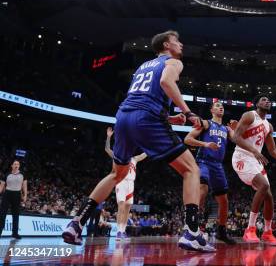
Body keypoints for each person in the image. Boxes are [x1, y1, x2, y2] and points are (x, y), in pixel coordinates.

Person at [62, 30, 215, 252]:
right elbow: (165, 82)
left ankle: (76, 223)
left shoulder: (143, 66)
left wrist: (168, 117)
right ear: (166, 45)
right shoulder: (173, 62)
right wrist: (189, 113)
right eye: (176, 41)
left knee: (117, 173)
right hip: (146, 118)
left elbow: (141, 97)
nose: (181, 45)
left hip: (123, 117)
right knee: (192, 169)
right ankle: (192, 232)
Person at [231, 95, 276, 245]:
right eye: (263, 99)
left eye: (269, 100)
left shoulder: (268, 126)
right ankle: (250, 229)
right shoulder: (250, 115)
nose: (267, 101)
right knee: (264, 186)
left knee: (269, 196)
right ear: (257, 103)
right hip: (242, 157)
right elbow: (236, 137)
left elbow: (273, 151)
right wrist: (255, 151)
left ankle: (267, 232)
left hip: (255, 160)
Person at [184, 102, 237, 244]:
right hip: (204, 161)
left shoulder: (227, 129)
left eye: (223, 107)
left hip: (218, 165)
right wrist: (205, 144)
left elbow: (238, 140)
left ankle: (221, 231)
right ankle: (192, 226)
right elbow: (188, 139)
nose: (221, 108)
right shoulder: (206, 124)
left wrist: (237, 129)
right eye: (218, 106)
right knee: (203, 189)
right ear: (211, 110)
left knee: (224, 201)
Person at [103, 126, 147, 240]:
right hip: (121, 182)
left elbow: (145, 153)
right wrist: (108, 137)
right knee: (121, 206)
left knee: (127, 208)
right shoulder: (118, 155)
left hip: (131, 184)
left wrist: (151, 142)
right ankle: (118, 231)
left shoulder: (135, 159)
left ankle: (122, 231)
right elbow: (107, 149)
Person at [0, 160, 27, 239]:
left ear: (19, 166)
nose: (16, 165)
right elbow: (1, 186)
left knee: (16, 215)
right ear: (12, 165)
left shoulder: (23, 174)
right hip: (7, 194)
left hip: (17, 194)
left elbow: (24, 186)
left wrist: (25, 195)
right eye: (15, 164)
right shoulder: (6, 174)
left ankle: (15, 233)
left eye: (18, 164)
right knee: (2, 214)